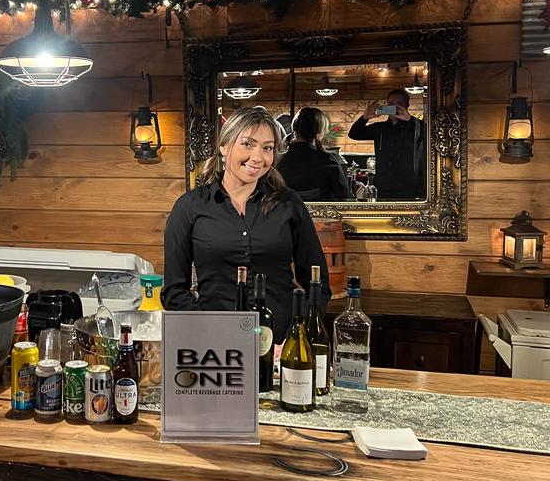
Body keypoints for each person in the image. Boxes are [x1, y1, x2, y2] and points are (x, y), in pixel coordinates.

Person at [162, 105, 331, 343]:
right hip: (214, 344)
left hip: (280, 343)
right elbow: (174, 292)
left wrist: (296, 336)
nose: (258, 158)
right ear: (224, 146)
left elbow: (318, 285)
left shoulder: (288, 204)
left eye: (267, 148)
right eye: (247, 144)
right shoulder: (190, 207)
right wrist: (208, 334)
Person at [348, 88, 426, 200]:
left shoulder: (414, 127)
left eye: (398, 104)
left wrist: (410, 119)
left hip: (409, 188)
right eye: (390, 104)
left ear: (406, 106)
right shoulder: (380, 128)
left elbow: (429, 135)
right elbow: (354, 134)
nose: (394, 107)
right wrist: (365, 117)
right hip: (383, 188)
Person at [277, 106, 349, 201]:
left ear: (295, 128)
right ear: (319, 130)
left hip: (285, 210)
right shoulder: (328, 160)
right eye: (326, 128)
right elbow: (343, 198)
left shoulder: (278, 161)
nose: (327, 131)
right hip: (321, 210)